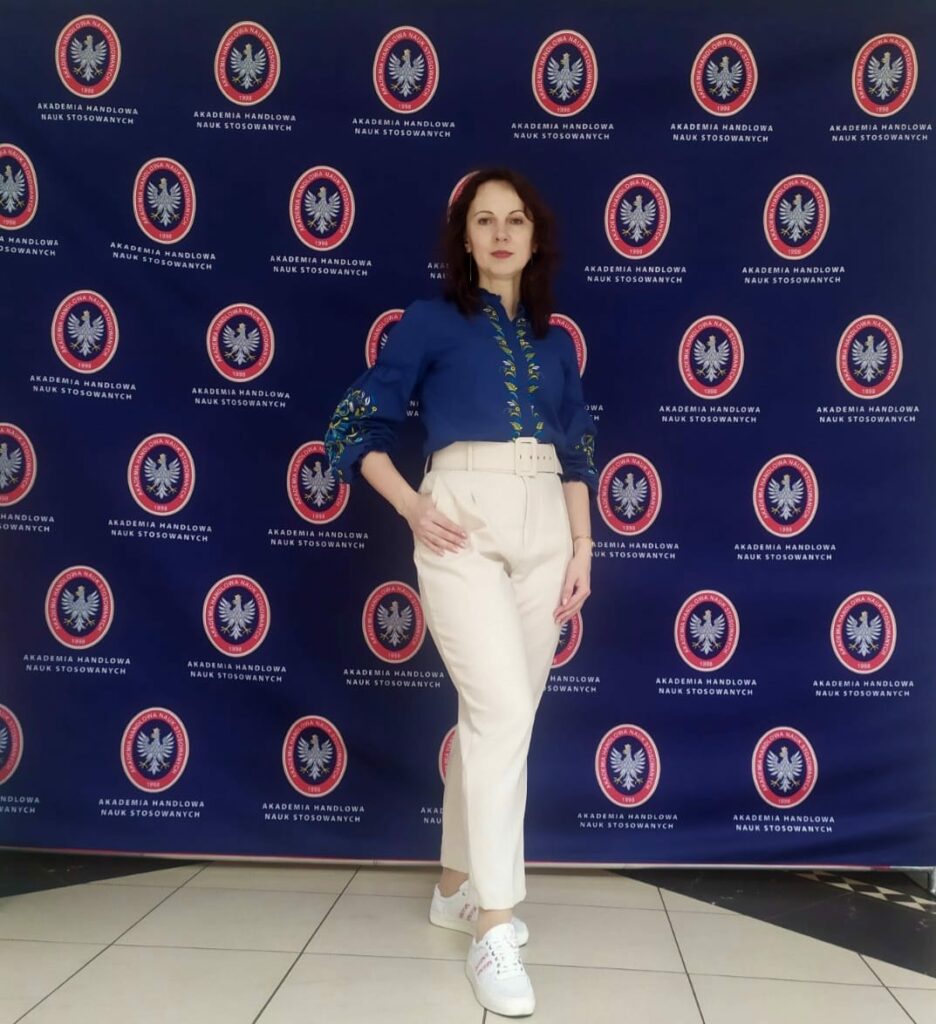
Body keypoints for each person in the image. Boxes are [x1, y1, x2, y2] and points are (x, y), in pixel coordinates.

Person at [324, 167, 598, 1017]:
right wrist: (414, 506)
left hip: (546, 525)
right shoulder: (429, 321)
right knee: (502, 711)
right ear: (465, 238)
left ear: (534, 237)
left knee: (497, 721)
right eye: (485, 220)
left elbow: (578, 449)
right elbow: (352, 425)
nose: (501, 233)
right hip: (461, 520)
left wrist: (584, 546)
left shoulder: (555, 344)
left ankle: (453, 887)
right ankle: (494, 925)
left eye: (515, 219)